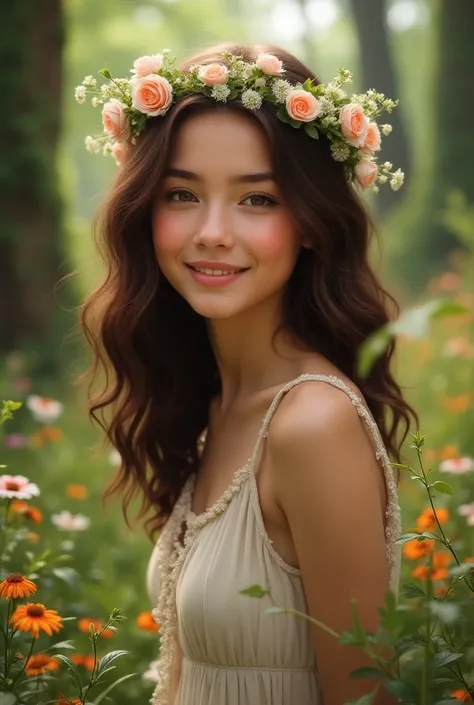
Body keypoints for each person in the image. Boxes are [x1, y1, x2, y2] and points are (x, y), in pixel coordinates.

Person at [77, 42, 418, 705]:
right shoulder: (216, 405)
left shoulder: (312, 425)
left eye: (256, 200)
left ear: (312, 222)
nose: (210, 231)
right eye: (181, 194)